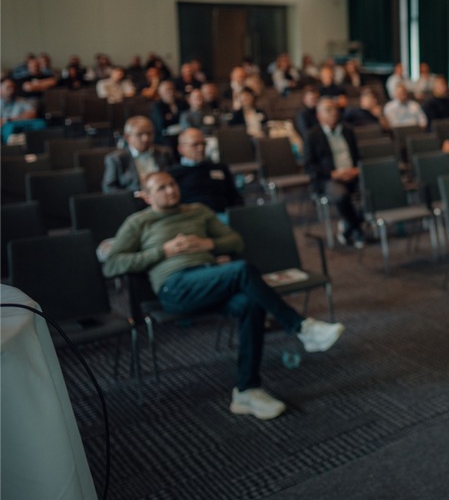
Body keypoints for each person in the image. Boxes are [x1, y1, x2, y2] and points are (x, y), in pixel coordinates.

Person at [103, 171, 344, 419]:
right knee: (241, 270)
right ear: (146, 196)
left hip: (210, 278)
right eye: (161, 188)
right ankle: (300, 328)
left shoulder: (198, 211)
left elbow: (235, 241)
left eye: (173, 184)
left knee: (251, 303)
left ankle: (246, 390)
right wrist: (162, 251)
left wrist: (209, 245)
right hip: (174, 287)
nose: (171, 191)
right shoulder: (138, 222)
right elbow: (112, 265)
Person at [303, 98, 365, 248]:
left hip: (353, 174)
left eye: (335, 109)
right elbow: (310, 165)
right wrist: (333, 174)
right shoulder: (312, 135)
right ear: (319, 115)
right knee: (341, 195)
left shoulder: (348, 130)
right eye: (328, 110)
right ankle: (356, 229)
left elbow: (358, 156)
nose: (333, 113)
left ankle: (348, 226)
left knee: (376, 191)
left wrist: (357, 169)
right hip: (329, 178)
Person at [168, 128, 243, 215]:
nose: (201, 148)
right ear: (181, 149)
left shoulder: (219, 168)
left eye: (203, 144)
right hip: (191, 218)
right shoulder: (172, 174)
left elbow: (235, 198)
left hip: (221, 215)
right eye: (195, 145)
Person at [103, 115, 176, 192]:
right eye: (139, 134)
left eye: (149, 133)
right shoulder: (116, 158)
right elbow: (109, 188)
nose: (145, 138)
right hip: (132, 201)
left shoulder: (165, 152)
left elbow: (175, 179)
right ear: (127, 137)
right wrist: (135, 196)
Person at [150, 80, 183, 146]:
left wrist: (171, 118)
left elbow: (185, 118)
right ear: (161, 93)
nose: (171, 92)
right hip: (164, 137)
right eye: (167, 90)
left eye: (172, 89)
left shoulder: (181, 102)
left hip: (181, 133)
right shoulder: (157, 106)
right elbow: (161, 124)